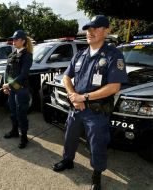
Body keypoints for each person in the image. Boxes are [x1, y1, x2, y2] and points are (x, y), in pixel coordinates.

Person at [52, 15, 128, 190]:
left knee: (97, 144)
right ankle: (68, 160)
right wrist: (73, 95)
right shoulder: (80, 54)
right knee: (70, 137)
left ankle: (97, 174)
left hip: (96, 112)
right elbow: (66, 77)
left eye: (96, 28)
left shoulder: (113, 55)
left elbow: (114, 87)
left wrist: (84, 97)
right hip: (76, 108)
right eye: (88, 29)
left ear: (107, 30)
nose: (90, 32)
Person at [2, 30, 33, 149]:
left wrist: (8, 85)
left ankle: (24, 137)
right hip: (12, 89)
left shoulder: (27, 55)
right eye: (13, 39)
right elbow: (7, 71)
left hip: (21, 89)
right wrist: (6, 85)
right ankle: (15, 131)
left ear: (23, 41)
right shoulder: (12, 54)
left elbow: (23, 75)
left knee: (21, 114)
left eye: (16, 39)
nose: (13, 41)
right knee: (13, 112)